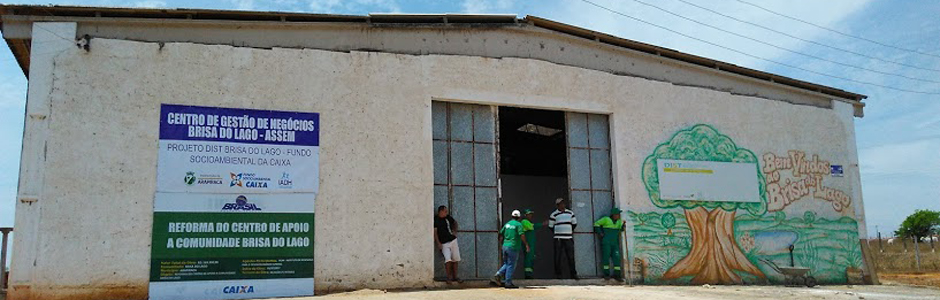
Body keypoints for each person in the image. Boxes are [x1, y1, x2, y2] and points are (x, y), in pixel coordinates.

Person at [491, 210, 529, 289]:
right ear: (519, 217)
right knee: (511, 264)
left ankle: (498, 274)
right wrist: (526, 244)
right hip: (513, 246)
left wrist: (501, 244)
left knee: (507, 263)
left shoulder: (507, 224)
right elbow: (522, 235)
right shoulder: (518, 224)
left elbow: (500, 234)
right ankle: (508, 283)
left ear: (512, 216)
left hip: (505, 246)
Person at [548, 198, 578, 280]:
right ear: (557, 205)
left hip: (568, 238)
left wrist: (567, 230)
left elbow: (574, 224)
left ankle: (573, 274)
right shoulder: (553, 215)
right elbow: (551, 227)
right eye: (560, 204)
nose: (562, 205)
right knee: (558, 257)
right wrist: (558, 232)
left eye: (563, 203)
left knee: (570, 257)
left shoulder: (570, 213)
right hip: (558, 238)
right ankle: (558, 275)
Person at [594, 207, 626, 281]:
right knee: (606, 258)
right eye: (617, 214)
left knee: (617, 258)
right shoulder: (606, 219)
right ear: (613, 215)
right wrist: (600, 233)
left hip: (615, 243)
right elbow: (596, 224)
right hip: (606, 242)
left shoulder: (619, 222)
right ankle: (606, 274)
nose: (618, 215)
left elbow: (621, 229)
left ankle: (617, 275)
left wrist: (623, 226)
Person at [434, 205, 462, 284]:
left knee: (455, 258)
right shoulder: (436, 220)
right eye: (445, 211)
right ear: (441, 211)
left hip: (452, 240)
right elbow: (435, 232)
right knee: (448, 259)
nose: (446, 213)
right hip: (444, 243)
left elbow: (455, 223)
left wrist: (455, 231)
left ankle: (455, 276)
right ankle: (449, 277)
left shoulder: (448, 218)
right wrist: (438, 243)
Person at [521, 209, 543, 279]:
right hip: (528, 244)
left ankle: (530, 274)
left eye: (531, 214)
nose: (531, 216)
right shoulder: (524, 222)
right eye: (529, 214)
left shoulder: (528, 222)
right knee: (528, 258)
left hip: (531, 244)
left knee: (531, 258)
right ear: (525, 215)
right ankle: (528, 275)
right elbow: (532, 226)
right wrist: (542, 224)